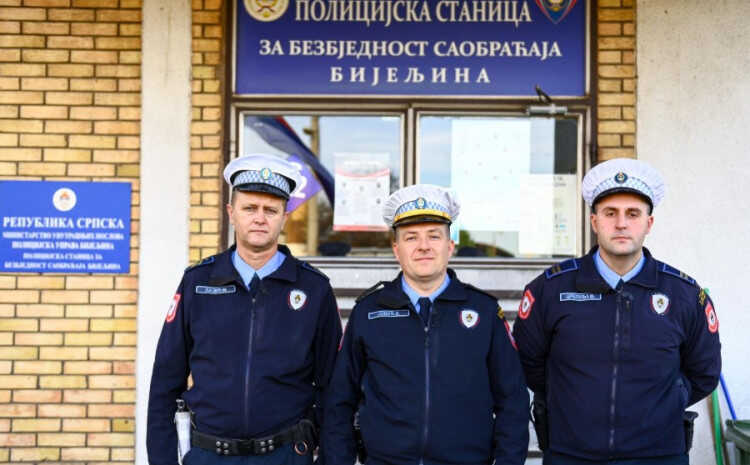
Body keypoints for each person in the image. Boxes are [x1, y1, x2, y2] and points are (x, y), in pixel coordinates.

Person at [512, 158, 722, 465]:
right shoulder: (550, 290)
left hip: (659, 456)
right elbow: (528, 363)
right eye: (610, 213)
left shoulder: (684, 295)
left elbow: (704, 371)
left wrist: (666, 402)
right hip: (572, 455)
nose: (621, 223)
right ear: (594, 221)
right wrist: (570, 402)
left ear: (649, 223)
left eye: (632, 214)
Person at [147, 153, 343, 465]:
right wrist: (162, 459)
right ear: (231, 213)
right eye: (250, 208)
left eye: (270, 210)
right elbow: (165, 379)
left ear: (284, 217)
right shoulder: (198, 283)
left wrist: (331, 458)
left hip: (285, 455)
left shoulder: (313, 288)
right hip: (209, 455)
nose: (260, 218)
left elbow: (334, 386)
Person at [323, 184, 529, 465]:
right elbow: (339, 401)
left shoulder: (484, 312)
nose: (423, 246)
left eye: (434, 236)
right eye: (411, 238)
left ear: (450, 246)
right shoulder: (368, 312)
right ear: (396, 249)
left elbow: (513, 401)